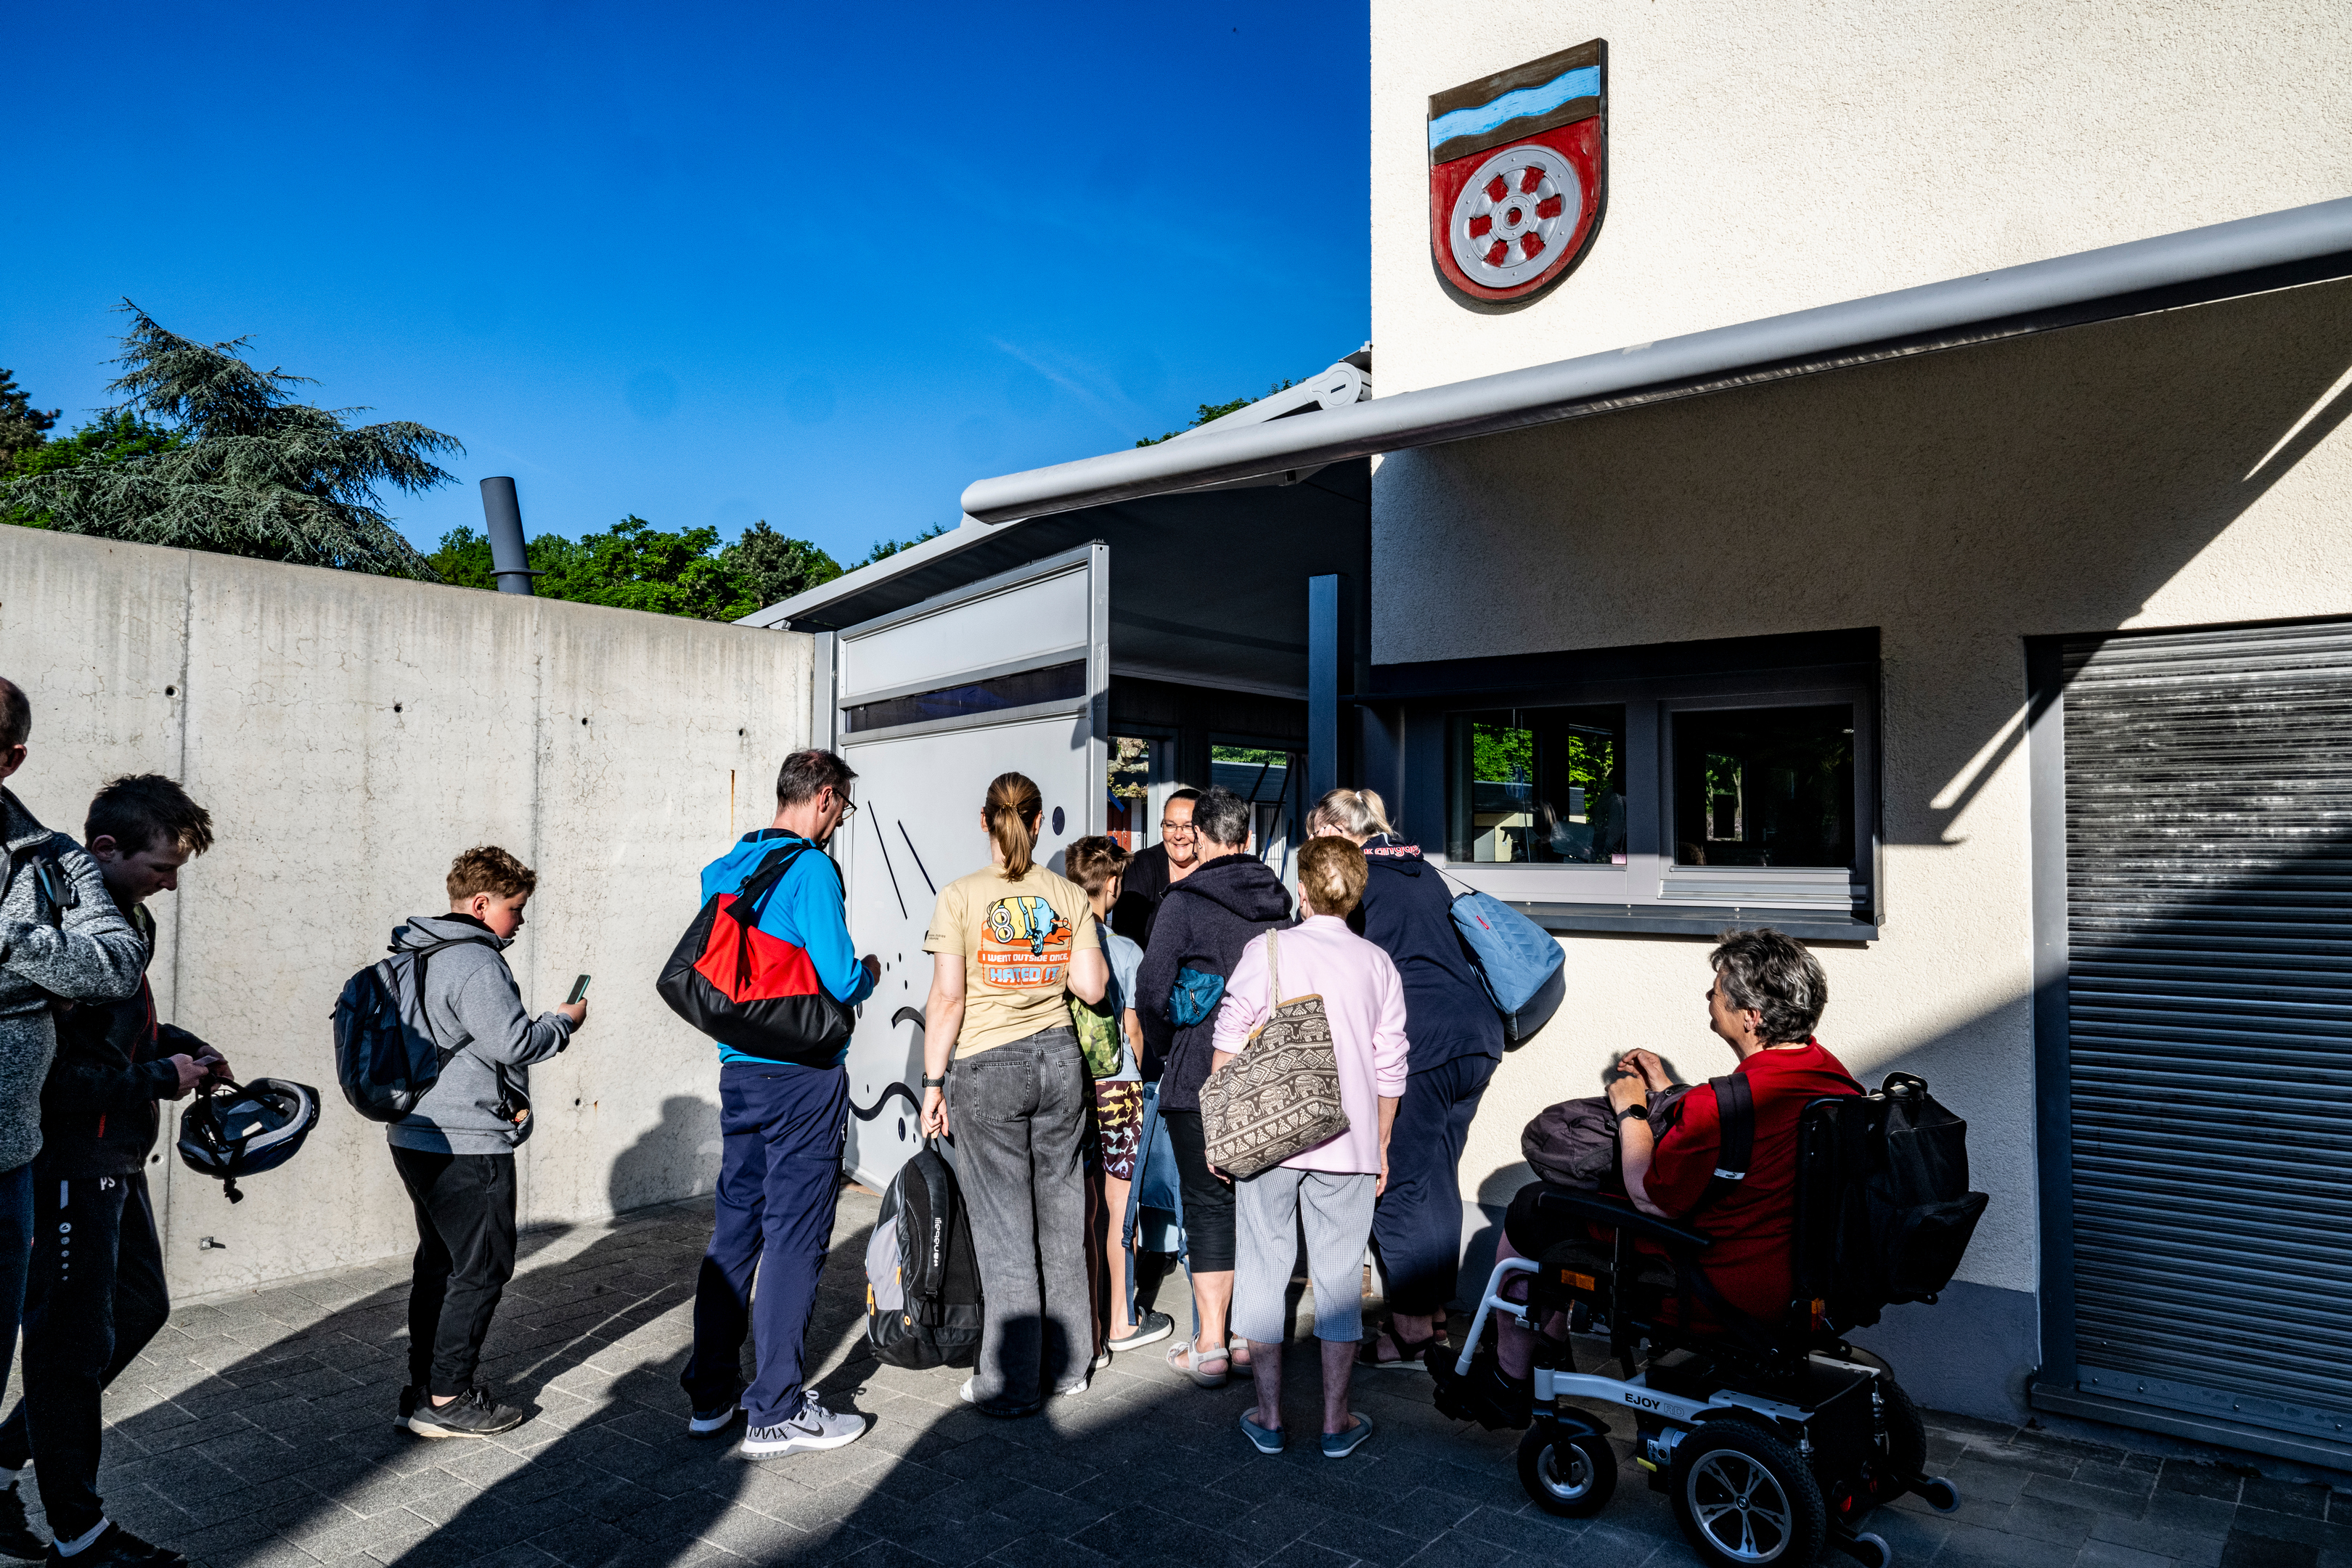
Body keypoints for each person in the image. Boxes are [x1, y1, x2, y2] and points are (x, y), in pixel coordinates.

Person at [1486, 929, 1860, 1413]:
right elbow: (1740, 1147)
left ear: (1751, 1017)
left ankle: (1512, 1376)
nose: (1709, 996)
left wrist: (1632, 1108)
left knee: (1533, 1207)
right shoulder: (1834, 1080)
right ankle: (1547, 1350)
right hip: (1796, 1274)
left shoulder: (1723, 1106)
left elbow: (1650, 1197)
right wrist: (1668, 1089)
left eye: (1717, 990)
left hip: (1717, 1281)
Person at [0, 776, 224, 1568]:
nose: (170, 885)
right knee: (68, 1349)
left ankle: (1, 1461)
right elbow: (50, 1079)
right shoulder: (61, 932)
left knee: (139, 1310)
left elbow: (117, 1038)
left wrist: (184, 1048)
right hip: (66, 1162)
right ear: (105, 849)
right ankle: (80, 1535)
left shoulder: (130, 920)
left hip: (116, 1158)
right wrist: (161, 1079)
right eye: (161, 868)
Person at [681, 749, 878, 1455]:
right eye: (843, 806)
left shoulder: (727, 866)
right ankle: (777, 1410)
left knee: (735, 1231)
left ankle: (712, 1396)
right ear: (824, 797)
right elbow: (840, 978)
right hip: (802, 1076)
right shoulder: (812, 869)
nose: (841, 820)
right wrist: (870, 972)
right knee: (795, 1234)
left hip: (740, 1073)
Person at [919, 772, 1109, 1416]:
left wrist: (932, 1083)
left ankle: (1012, 1384)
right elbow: (1092, 987)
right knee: (1062, 1219)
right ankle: (1071, 1367)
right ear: (1037, 821)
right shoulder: (1067, 894)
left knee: (1005, 1231)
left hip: (987, 1066)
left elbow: (948, 999)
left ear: (985, 821)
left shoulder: (959, 897)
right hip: (1060, 1062)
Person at [387, 845, 587, 1440]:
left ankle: (422, 1388)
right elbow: (515, 1042)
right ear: (480, 904)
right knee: (481, 1269)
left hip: (413, 1132)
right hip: (467, 1141)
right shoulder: (475, 962)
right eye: (515, 908)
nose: (520, 921)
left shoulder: (410, 955)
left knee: (440, 1263)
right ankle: (448, 1400)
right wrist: (564, 1022)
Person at [1218, 838, 1406, 1461]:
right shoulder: (1378, 964)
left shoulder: (1268, 950)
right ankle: (1335, 1421)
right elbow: (1390, 1067)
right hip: (1349, 1144)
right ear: (1355, 896)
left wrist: (1223, 1130)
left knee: (1263, 1270)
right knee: (1339, 1282)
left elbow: (1229, 1037)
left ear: (1301, 890)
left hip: (1271, 1136)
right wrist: (1380, 1142)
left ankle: (1269, 1418)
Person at [0, 678, 144, 1489]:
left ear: (11, 759)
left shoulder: (53, 858)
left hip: (10, 1162)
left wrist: (10, 940)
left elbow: (116, 966)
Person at [1305, 788, 1504, 1369]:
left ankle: (1412, 1330)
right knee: (1436, 1180)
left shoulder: (1358, 880)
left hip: (1420, 1044)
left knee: (1393, 1183)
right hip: (1475, 1039)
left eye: (1317, 838)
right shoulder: (1423, 871)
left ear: (1337, 830)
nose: (1315, 853)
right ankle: (1434, 1314)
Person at [1135, 785, 1291, 1387]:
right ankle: (1252, 1339)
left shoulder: (1185, 901)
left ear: (1199, 837)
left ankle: (1211, 1346)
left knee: (1207, 1206)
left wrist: (1168, 1045)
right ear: (1246, 837)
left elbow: (1152, 988)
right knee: (1261, 1207)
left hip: (1199, 1074)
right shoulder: (1279, 901)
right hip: (1269, 1072)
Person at [1063, 836, 1174, 1355]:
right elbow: (1133, 1030)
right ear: (1111, 885)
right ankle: (1123, 1321)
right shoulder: (1126, 951)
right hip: (1118, 1089)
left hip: (1071, 1085)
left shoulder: (1057, 946)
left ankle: (1086, 1324)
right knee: (1119, 1207)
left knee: (1079, 1205)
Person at [1109, 786, 1200, 945]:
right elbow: (1126, 940)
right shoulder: (1141, 866)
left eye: (1188, 826)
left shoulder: (1217, 870)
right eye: (1170, 825)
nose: (1178, 835)